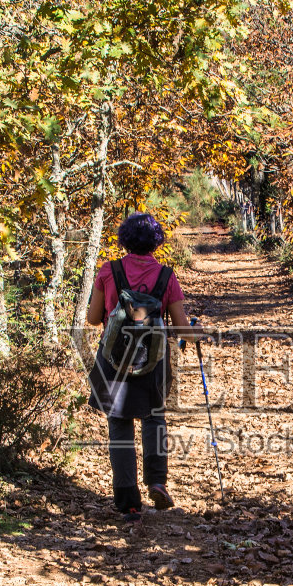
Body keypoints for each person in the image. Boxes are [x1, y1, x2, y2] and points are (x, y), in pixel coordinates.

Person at [86, 212, 200, 521]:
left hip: (112, 360)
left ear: (124, 240)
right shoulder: (166, 277)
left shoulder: (108, 272)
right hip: (153, 358)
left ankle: (129, 502)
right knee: (153, 416)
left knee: (119, 425)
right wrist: (197, 330)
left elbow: (94, 319)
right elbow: (180, 328)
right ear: (156, 242)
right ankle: (157, 481)